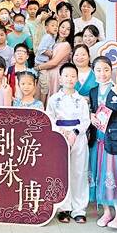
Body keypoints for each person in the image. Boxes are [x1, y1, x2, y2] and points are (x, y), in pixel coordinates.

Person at [88, 56, 117, 230]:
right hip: (97, 140)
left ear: (111, 70)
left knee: (114, 175)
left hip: (114, 141)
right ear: (93, 72)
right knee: (99, 174)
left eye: (106, 69)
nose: (102, 73)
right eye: (98, 70)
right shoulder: (93, 91)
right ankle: (107, 212)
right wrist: (91, 116)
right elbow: (93, 110)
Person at [46, 63, 90, 224]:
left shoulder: (81, 100)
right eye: (66, 76)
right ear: (60, 78)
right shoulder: (53, 99)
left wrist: (75, 132)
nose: (70, 79)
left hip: (78, 137)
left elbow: (86, 120)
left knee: (79, 172)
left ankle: (79, 209)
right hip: (59, 137)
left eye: (73, 76)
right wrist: (60, 131)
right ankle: (63, 208)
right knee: (61, 172)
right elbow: (49, 117)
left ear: (77, 79)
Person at [36, 19, 74, 98]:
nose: (64, 30)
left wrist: (38, 67)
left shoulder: (66, 45)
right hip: (46, 71)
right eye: (62, 27)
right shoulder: (53, 40)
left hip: (55, 75)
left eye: (68, 29)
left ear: (71, 32)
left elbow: (54, 62)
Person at [34, 17, 58, 104]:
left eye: (57, 26)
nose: (55, 27)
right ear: (46, 28)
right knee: (45, 86)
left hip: (43, 64)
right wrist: (51, 54)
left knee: (40, 84)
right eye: (53, 25)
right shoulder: (48, 37)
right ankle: (42, 105)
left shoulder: (52, 37)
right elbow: (41, 49)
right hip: (41, 64)